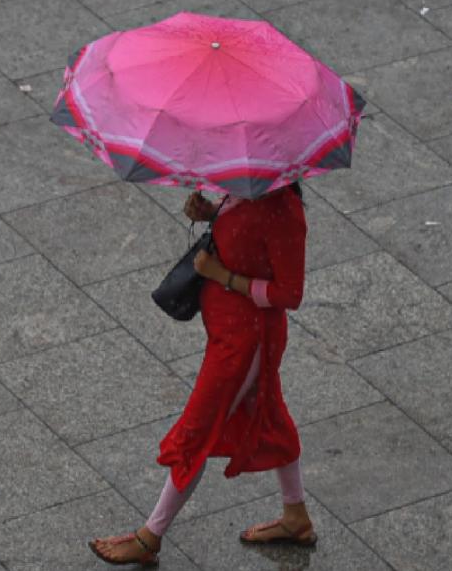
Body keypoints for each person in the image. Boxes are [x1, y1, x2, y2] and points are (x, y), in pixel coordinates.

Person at [89, 181, 315, 566]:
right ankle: (296, 517)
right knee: (271, 415)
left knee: (196, 431)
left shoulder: (284, 212)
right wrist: (211, 213)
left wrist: (221, 275)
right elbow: (247, 235)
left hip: (245, 345)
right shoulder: (246, 190)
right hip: (228, 333)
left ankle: (150, 537)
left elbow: (289, 293)